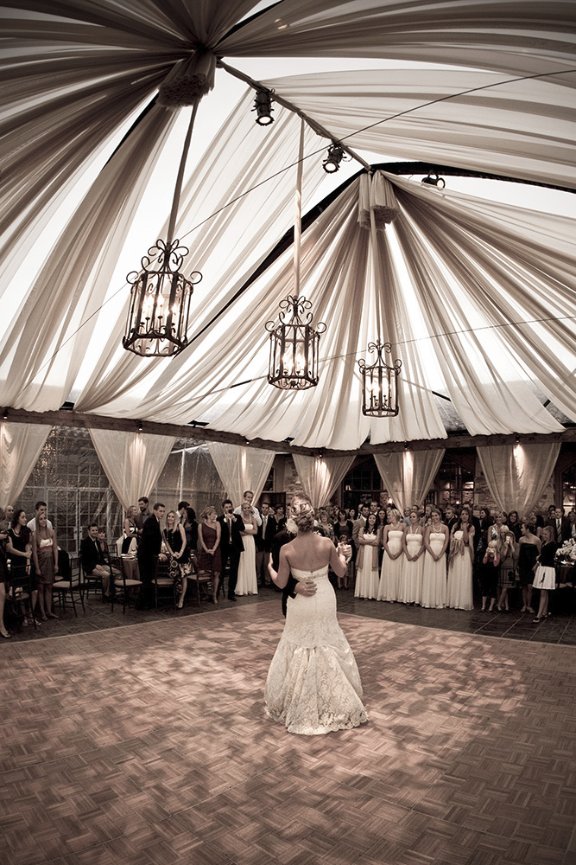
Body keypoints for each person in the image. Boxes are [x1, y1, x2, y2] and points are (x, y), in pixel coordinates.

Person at [264, 494, 368, 736]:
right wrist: (344, 556)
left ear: (293, 520)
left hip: (301, 602)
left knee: (299, 642)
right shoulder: (327, 543)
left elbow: (280, 583)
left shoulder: (287, 549)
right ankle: (336, 700)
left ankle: (299, 701)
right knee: (326, 641)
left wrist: (269, 568)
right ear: (312, 520)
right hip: (324, 597)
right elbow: (341, 572)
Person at [136, 503, 165, 608]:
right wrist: (158, 553)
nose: (162, 513)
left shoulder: (155, 521)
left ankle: (148, 602)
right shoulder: (151, 521)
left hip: (148, 555)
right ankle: (143, 604)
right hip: (145, 556)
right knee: (146, 579)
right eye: (160, 511)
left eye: (163, 511)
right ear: (155, 510)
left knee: (148, 579)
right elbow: (150, 541)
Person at [32, 512, 59, 620]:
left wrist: (56, 564)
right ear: (37, 521)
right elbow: (34, 552)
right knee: (41, 588)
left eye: (45, 518)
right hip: (41, 562)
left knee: (49, 587)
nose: (43, 520)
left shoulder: (51, 531)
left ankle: (49, 611)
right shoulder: (35, 534)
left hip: (50, 562)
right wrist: (37, 568)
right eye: (41, 519)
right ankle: (42, 613)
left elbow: (55, 548)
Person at [446, 508, 475, 610]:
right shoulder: (455, 526)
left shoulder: (471, 527)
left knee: (464, 576)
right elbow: (451, 538)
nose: (464, 516)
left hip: (465, 553)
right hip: (456, 553)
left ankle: (463, 602)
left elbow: (467, 540)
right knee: (455, 575)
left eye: (466, 514)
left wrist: (465, 528)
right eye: (462, 514)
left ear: (469, 516)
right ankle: (453, 601)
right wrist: (455, 541)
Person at [217, 500, 244, 601]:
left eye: (230, 506)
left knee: (234, 570)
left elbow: (242, 528)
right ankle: (217, 591)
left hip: (235, 546)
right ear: (223, 508)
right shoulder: (219, 519)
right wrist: (225, 521)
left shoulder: (237, 517)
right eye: (226, 507)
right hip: (224, 547)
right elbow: (218, 532)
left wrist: (234, 520)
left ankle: (231, 593)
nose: (228, 508)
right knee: (221, 569)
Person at [163, 510, 188, 608]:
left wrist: (181, 552)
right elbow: (167, 544)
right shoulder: (164, 531)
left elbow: (184, 540)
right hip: (174, 556)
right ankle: (176, 597)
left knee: (184, 577)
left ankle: (181, 599)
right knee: (175, 577)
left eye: (172, 516)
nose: (170, 518)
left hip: (183, 555)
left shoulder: (179, 526)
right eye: (168, 516)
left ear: (175, 518)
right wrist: (172, 554)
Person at [532, 525, 558, 623]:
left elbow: (546, 557)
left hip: (547, 569)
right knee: (544, 591)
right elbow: (543, 556)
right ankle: (544, 612)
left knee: (543, 592)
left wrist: (538, 560)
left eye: (546, 534)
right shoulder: (544, 543)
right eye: (543, 534)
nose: (544, 536)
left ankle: (539, 615)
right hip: (543, 568)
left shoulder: (552, 544)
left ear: (550, 534)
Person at [197, 506, 222, 604]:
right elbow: (201, 540)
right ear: (208, 515)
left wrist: (213, 550)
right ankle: (206, 593)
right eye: (213, 514)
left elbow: (218, 538)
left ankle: (214, 595)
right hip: (205, 550)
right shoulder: (200, 525)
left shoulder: (217, 524)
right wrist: (207, 550)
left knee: (216, 573)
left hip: (216, 550)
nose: (215, 515)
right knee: (202, 572)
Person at [354, 512, 380, 599]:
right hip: (363, 553)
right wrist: (370, 541)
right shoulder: (362, 529)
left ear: (376, 520)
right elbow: (359, 540)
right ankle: (362, 593)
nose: (372, 520)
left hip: (373, 553)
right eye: (370, 518)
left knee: (372, 571)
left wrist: (366, 541)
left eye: (374, 518)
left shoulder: (378, 530)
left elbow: (377, 542)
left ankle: (371, 593)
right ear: (367, 519)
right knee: (364, 569)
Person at [517, 522, 541, 614]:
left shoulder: (536, 540)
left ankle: (529, 605)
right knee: (524, 586)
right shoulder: (521, 539)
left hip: (532, 566)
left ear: (527, 529)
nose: (521, 530)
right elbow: (519, 554)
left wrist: (536, 565)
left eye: (522, 528)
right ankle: (524, 605)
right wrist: (517, 566)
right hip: (523, 565)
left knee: (530, 586)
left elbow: (540, 554)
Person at [236, 500, 258, 596]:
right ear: (242, 509)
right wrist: (249, 531)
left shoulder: (253, 519)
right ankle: (242, 588)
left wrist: (245, 531)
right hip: (242, 541)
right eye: (245, 508)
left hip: (250, 542)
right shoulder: (239, 519)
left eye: (248, 508)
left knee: (250, 562)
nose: (246, 510)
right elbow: (238, 532)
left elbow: (255, 532)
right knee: (243, 562)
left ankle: (251, 588)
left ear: (250, 509)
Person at [255, 501, 276, 587]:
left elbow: (273, 534)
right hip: (259, 545)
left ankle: (267, 581)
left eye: (266, 508)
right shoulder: (257, 519)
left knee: (267, 565)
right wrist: (255, 545)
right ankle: (258, 581)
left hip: (268, 546)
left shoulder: (272, 520)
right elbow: (255, 534)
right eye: (263, 508)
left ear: (269, 509)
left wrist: (272, 546)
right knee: (258, 564)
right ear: (261, 509)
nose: (264, 509)